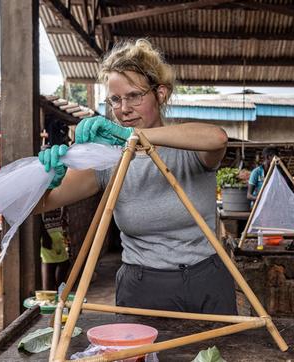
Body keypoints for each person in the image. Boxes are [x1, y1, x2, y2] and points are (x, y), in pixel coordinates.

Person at [35, 39, 236, 314]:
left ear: (161, 94)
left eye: (134, 96)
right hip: (142, 286)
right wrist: (46, 178)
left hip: (206, 281)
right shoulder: (107, 160)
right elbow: (41, 204)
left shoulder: (189, 149)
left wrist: (135, 137)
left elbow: (218, 138)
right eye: (115, 99)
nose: (123, 109)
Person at [39, 216, 70, 291]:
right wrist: (44, 234)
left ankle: (61, 300)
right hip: (47, 247)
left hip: (61, 244)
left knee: (61, 284)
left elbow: (64, 221)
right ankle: (52, 299)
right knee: (48, 287)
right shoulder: (39, 207)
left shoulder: (61, 206)